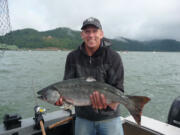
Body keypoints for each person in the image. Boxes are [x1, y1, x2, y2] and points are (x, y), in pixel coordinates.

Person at [55, 17, 124, 135]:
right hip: (83, 119)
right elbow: (66, 86)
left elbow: (118, 88)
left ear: (101, 34)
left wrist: (107, 104)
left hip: (110, 118)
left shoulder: (113, 57)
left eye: (94, 31)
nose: (91, 35)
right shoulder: (72, 57)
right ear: (82, 35)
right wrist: (62, 100)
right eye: (87, 32)